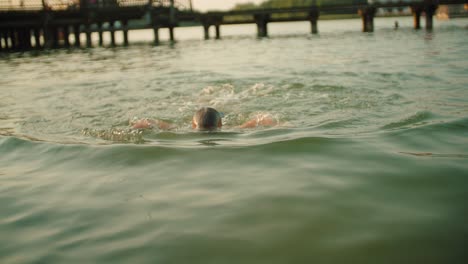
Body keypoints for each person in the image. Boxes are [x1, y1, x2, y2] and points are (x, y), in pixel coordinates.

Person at [130, 107, 279, 130]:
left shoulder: (182, 131)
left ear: (193, 125)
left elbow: (149, 121)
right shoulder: (233, 130)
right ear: (220, 124)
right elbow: (261, 118)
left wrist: (133, 127)